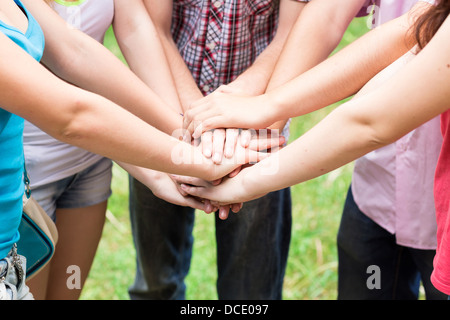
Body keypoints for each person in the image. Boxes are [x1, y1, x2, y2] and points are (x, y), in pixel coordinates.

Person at [180, 0, 450, 297]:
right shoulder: (430, 20)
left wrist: (243, 180)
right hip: (378, 192)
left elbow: (369, 123)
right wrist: (265, 113)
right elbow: (408, 33)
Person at [0, 0, 260, 300]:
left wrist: (184, 139)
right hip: (29, 189)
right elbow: (71, 116)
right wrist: (198, 161)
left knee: (67, 292)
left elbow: (75, 51)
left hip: (12, 248)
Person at [125, 0, 307, 300]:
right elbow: (151, 27)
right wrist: (196, 123)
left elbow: (296, 32)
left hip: (256, 134)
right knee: (154, 282)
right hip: (163, 116)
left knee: (252, 290)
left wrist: (250, 122)